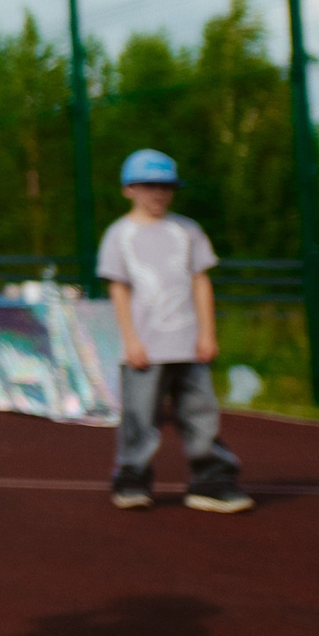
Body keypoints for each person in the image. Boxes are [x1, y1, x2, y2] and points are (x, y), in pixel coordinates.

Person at [99, 149, 250, 514]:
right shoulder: (119, 235)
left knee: (201, 414)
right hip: (145, 348)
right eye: (150, 186)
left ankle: (211, 481)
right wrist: (131, 339)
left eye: (166, 187)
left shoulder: (187, 231)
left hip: (187, 344)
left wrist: (207, 333)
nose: (159, 194)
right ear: (128, 189)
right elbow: (118, 290)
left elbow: (200, 281)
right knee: (140, 416)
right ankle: (132, 479)